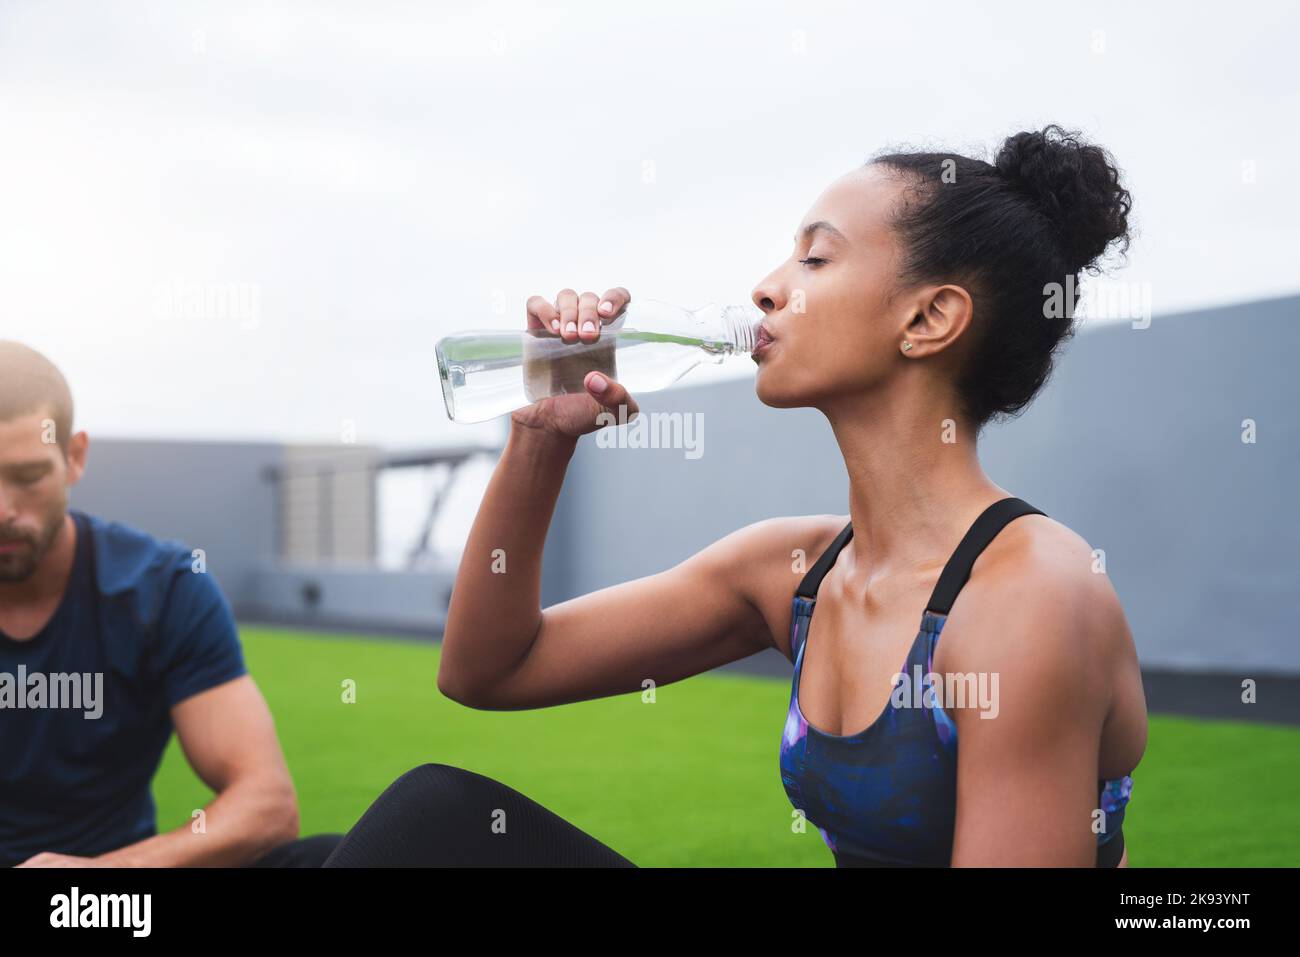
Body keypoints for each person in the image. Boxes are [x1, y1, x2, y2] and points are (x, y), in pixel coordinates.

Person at [324, 124, 1147, 868]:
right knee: (424, 827)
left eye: (814, 259)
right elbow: (488, 668)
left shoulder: (1027, 600)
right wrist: (542, 438)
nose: (764, 288)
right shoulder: (796, 573)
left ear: (929, 317)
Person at [0, 340, 342, 868]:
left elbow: (266, 805)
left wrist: (100, 876)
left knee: (323, 858)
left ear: (74, 457)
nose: (4, 510)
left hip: (109, 908)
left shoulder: (161, 588)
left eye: (27, 477)